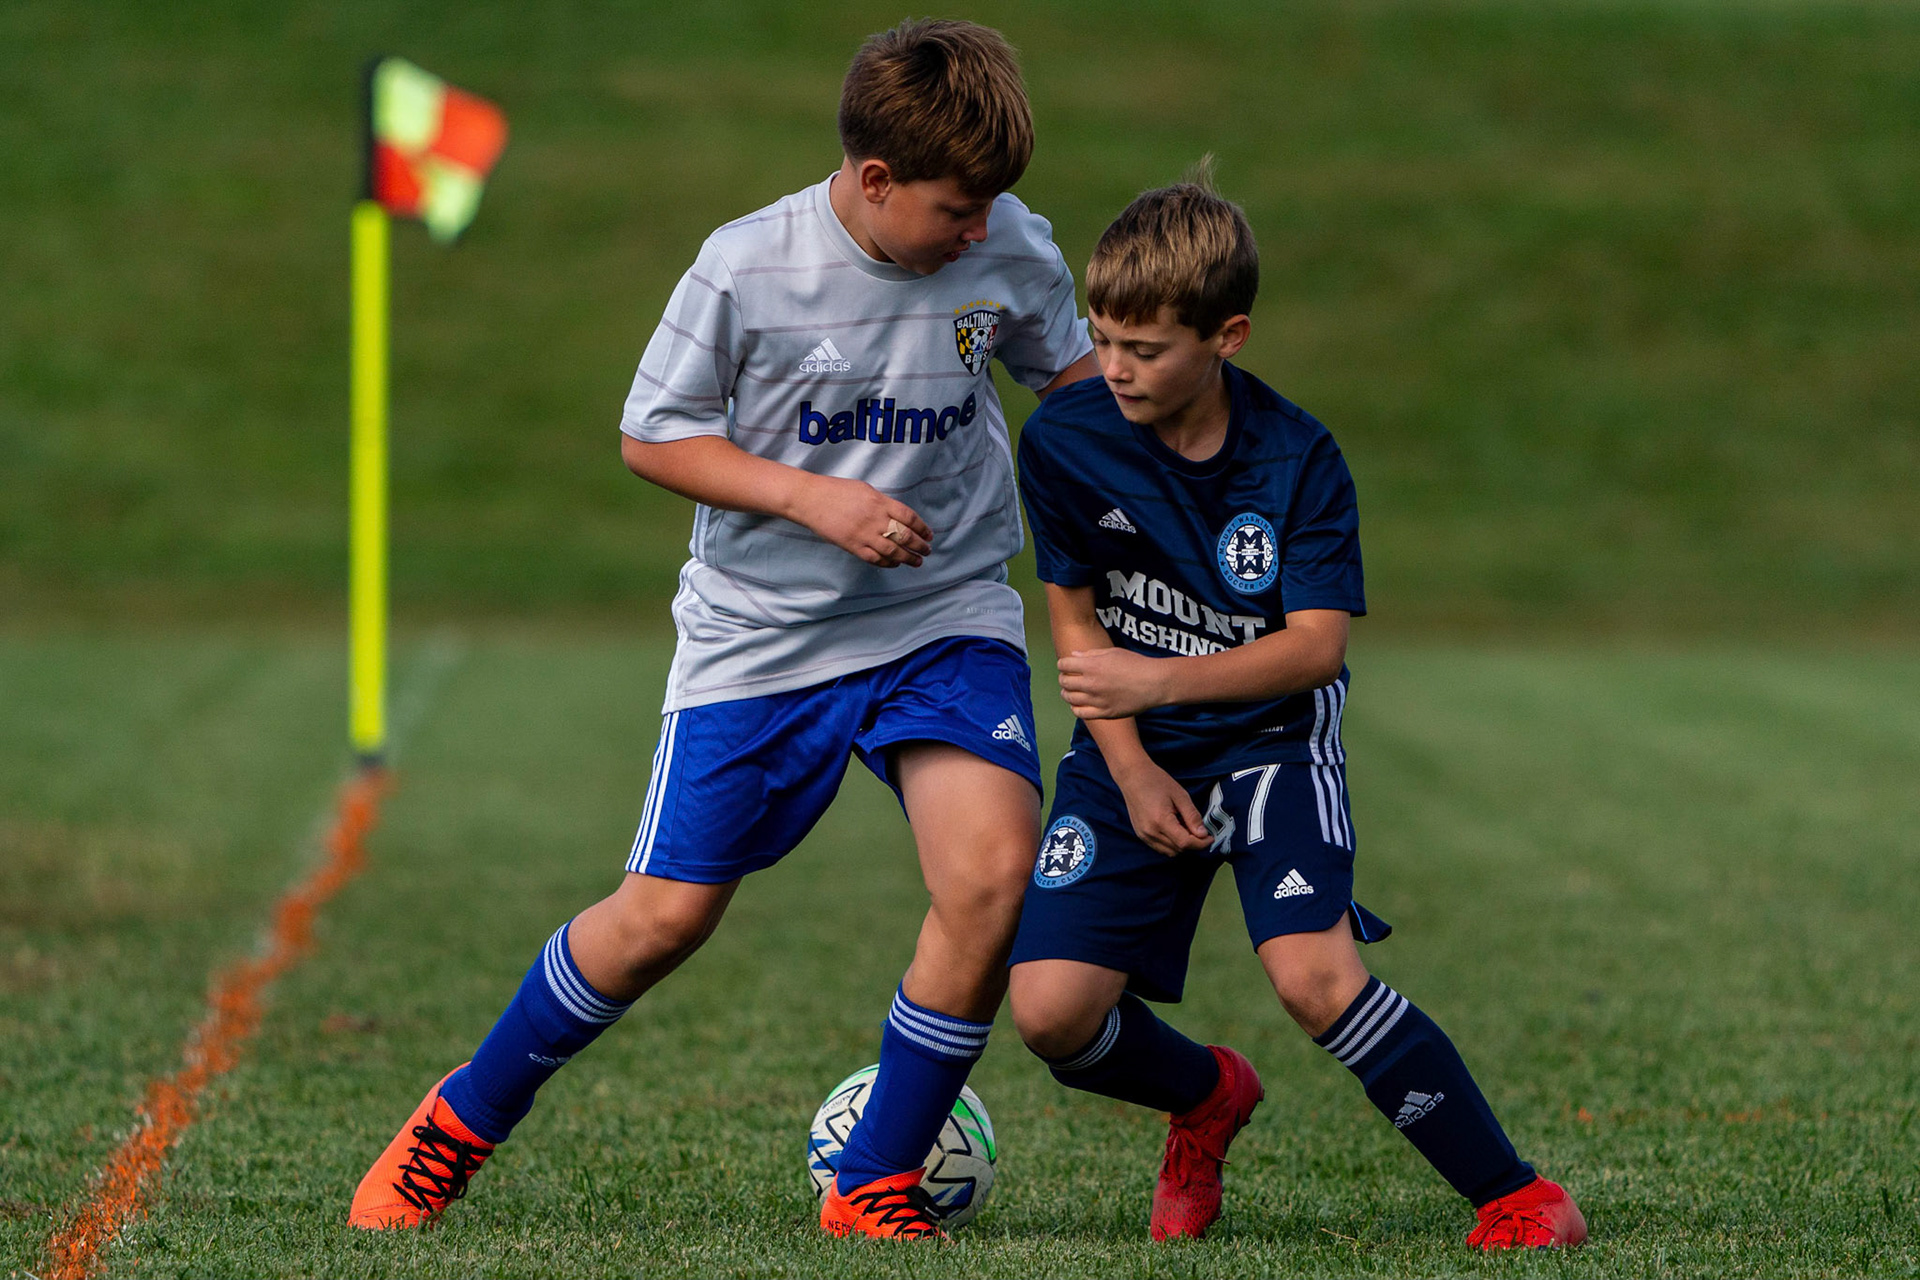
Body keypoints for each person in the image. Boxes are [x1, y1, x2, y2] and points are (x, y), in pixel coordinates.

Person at [348, 19, 1098, 1239]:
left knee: (991, 873)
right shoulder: (748, 267)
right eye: (956, 207)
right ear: (873, 180)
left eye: (990, 207)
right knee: (661, 921)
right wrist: (817, 499)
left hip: (944, 613)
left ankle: (872, 1182)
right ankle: (457, 1123)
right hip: (764, 636)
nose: (979, 229)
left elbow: (1069, 390)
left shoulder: (1008, 244)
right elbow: (654, 435)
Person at [1005, 170, 1586, 1249]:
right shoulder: (1065, 442)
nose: (1115, 369)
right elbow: (1078, 631)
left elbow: (1316, 650)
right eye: (1102, 338)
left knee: (1315, 979)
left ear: (1227, 335)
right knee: (1050, 1014)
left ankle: (1518, 1195)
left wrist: (1162, 680)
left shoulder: (1298, 457)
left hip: (1270, 739)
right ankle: (1208, 1096)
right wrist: (1132, 766)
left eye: (1146, 348)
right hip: (1131, 748)